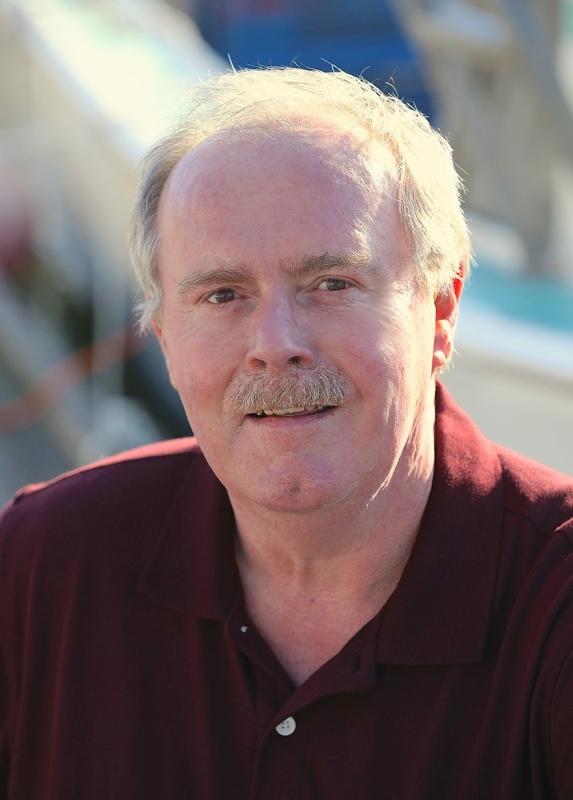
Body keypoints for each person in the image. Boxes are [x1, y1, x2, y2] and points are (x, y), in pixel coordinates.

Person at [1, 67, 572, 800]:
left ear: (440, 311)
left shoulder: (554, 600)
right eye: (223, 295)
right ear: (165, 335)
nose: (275, 344)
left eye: (331, 284)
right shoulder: (46, 564)